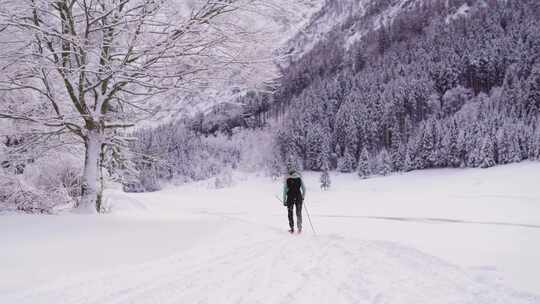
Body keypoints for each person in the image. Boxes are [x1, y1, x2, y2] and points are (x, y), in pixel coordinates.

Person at [282, 167, 306, 234]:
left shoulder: (287, 180)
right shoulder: (299, 179)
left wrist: (284, 201)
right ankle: (299, 229)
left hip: (290, 198)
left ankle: (292, 229)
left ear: (290, 173)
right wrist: (303, 197)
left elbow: (284, 191)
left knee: (290, 213)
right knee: (298, 213)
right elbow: (304, 189)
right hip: (299, 198)